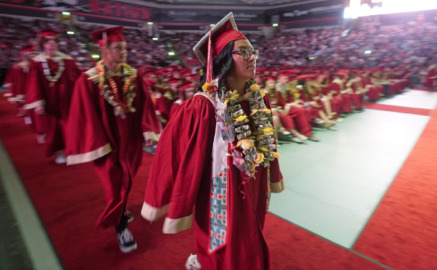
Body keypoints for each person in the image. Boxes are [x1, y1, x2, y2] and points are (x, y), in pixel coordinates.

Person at [141, 13, 284, 270]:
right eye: (244, 52)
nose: (253, 58)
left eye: (253, 52)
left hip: (254, 184)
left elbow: (269, 144)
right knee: (227, 251)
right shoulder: (204, 106)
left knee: (251, 237)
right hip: (222, 193)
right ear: (225, 60)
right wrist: (161, 197)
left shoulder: (259, 100)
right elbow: (173, 153)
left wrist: (272, 174)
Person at [65, 26, 161, 253]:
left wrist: (148, 131)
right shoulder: (88, 81)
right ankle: (121, 228)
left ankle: (121, 208)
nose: (124, 51)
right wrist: (100, 145)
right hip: (108, 143)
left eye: (125, 47)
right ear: (104, 49)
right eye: (118, 48)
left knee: (126, 180)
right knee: (114, 184)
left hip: (131, 141)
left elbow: (145, 106)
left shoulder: (134, 76)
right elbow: (85, 117)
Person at [24, 28, 81, 164]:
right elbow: (34, 82)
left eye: (54, 41)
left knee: (71, 126)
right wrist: (38, 102)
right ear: (43, 44)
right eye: (48, 42)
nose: (51, 44)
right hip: (50, 102)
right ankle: (59, 152)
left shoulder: (67, 60)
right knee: (54, 129)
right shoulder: (37, 62)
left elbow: (78, 78)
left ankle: (72, 150)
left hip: (67, 100)